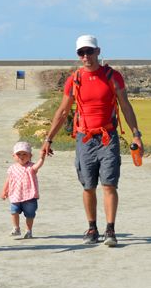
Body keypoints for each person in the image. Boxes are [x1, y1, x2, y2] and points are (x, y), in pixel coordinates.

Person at [41, 34, 143, 247]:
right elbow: (62, 112)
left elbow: (125, 106)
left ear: (98, 51)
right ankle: (92, 227)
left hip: (108, 137)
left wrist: (136, 135)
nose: (86, 56)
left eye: (89, 51)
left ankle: (110, 229)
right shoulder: (74, 79)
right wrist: (48, 139)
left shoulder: (113, 76)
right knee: (88, 186)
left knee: (109, 185)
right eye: (81, 52)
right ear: (78, 56)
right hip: (84, 138)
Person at [0, 141, 46, 239]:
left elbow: (39, 165)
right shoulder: (12, 168)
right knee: (14, 211)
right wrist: (4, 190)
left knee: (30, 215)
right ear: (13, 156)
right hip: (15, 195)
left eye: (25, 154)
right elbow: (8, 180)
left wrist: (42, 157)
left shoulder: (31, 167)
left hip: (29, 196)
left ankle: (28, 230)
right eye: (18, 154)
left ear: (30, 156)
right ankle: (16, 228)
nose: (21, 156)